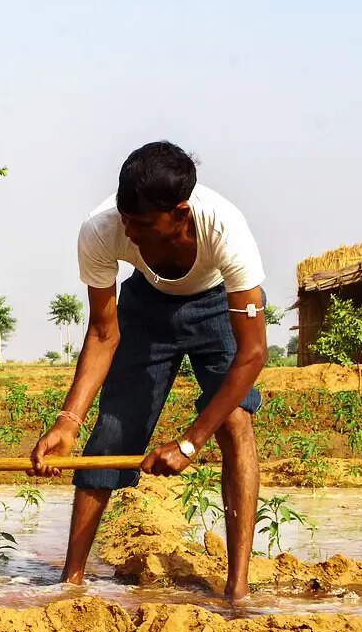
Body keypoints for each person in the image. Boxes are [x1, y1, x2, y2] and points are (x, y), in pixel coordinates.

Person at [30, 142, 267, 603]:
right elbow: (103, 333)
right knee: (113, 431)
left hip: (216, 304)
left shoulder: (227, 231)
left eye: (142, 224)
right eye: (125, 218)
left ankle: (238, 590)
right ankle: (71, 580)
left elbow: (252, 354)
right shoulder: (102, 230)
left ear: (181, 214)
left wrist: (189, 441)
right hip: (147, 306)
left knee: (235, 420)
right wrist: (67, 421)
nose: (129, 232)